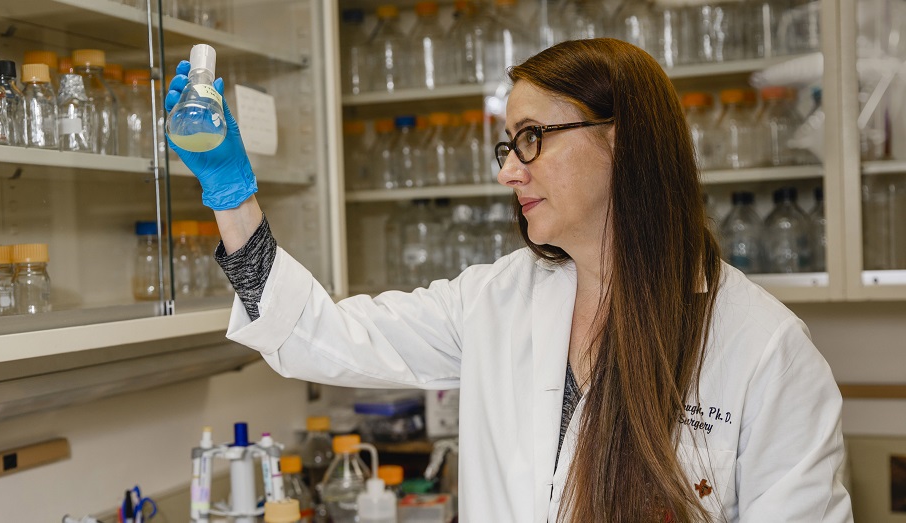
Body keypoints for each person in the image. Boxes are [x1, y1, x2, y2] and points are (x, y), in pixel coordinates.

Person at [165, 38, 852, 522]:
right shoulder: (496, 299)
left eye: (531, 138)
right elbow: (320, 336)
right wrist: (229, 190)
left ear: (623, 138)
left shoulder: (765, 350)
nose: (508, 171)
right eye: (507, 145)